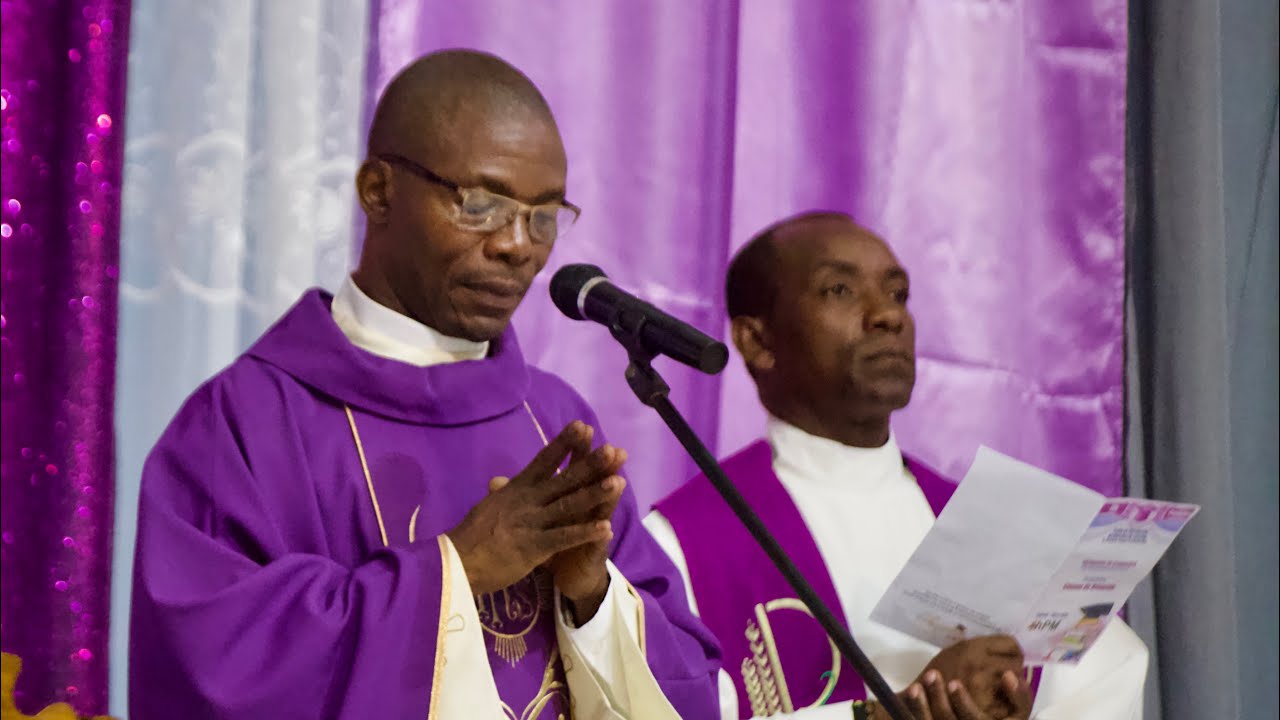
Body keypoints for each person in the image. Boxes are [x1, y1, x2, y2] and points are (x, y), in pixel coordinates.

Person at [129, 50, 720, 719]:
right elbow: (214, 670)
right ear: (379, 190)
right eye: (482, 204)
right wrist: (459, 568)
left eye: (544, 217)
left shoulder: (552, 420)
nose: (517, 245)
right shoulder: (243, 424)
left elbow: (691, 688)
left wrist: (593, 598)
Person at [644, 212, 1150, 719]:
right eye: (839, 290)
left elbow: (1111, 677)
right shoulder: (681, 545)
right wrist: (891, 713)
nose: (888, 316)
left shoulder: (994, 528)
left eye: (898, 293)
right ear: (758, 341)